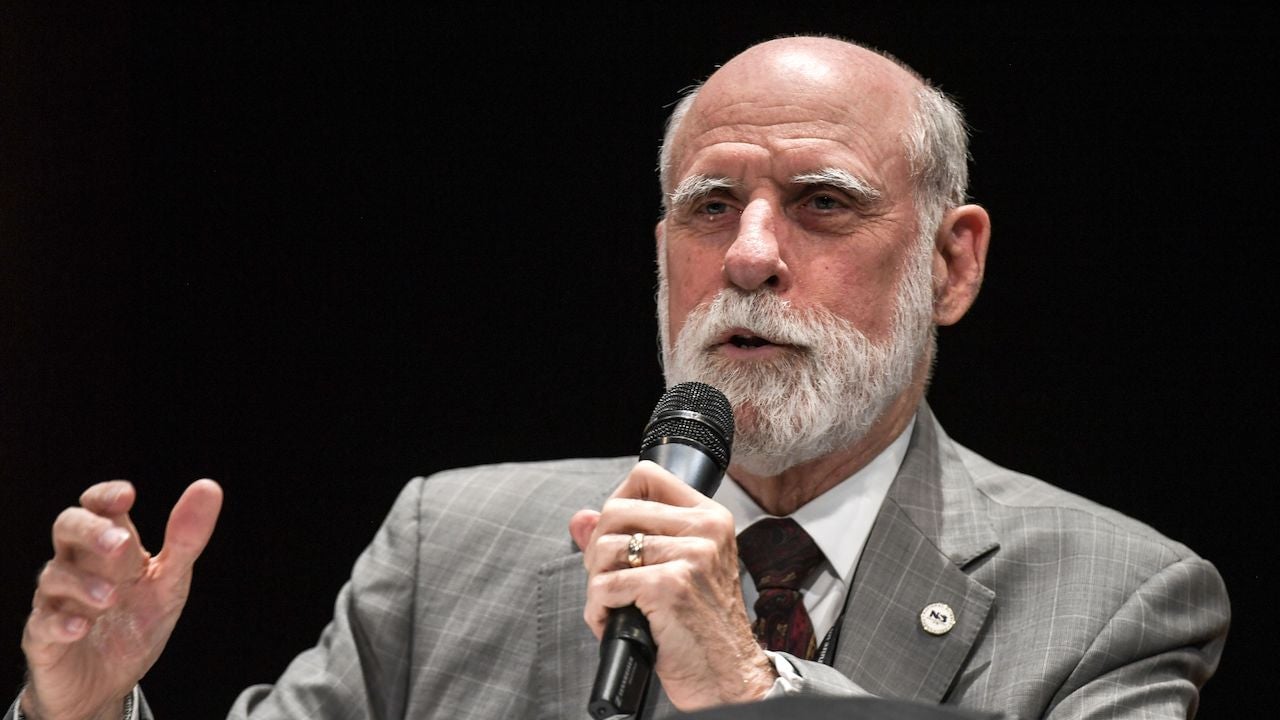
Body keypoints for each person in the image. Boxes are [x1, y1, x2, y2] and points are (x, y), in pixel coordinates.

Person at [9, 35, 1229, 720]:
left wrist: (751, 688)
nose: (749, 256)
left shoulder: (1114, 601)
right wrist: (82, 710)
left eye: (820, 204)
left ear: (950, 264)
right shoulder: (449, 548)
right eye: (710, 207)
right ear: (660, 258)